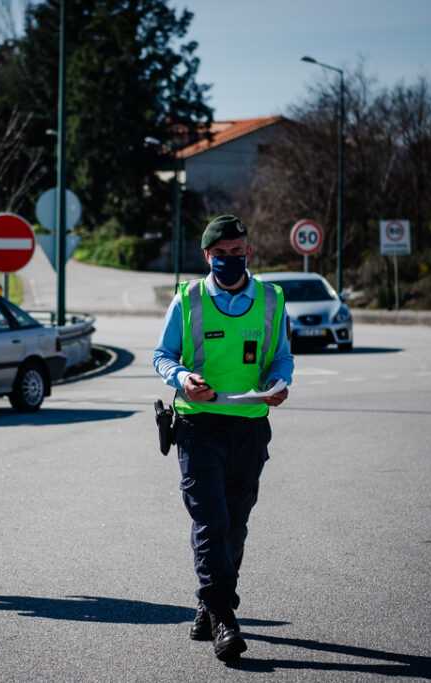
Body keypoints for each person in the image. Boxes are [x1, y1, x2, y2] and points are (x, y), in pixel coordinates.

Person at [152, 214, 294, 661]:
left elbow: (282, 357)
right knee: (210, 524)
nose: (229, 260)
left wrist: (279, 383)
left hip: (250, 428)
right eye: (220, 254)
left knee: (234, 527)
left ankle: (207, 604)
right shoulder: (188, 299)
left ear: (249, 252)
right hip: (198, 426)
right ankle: (225, 619)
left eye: (237, 252)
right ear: (206, 255)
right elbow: (162, 354)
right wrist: (182, 377)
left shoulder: (272, 298)